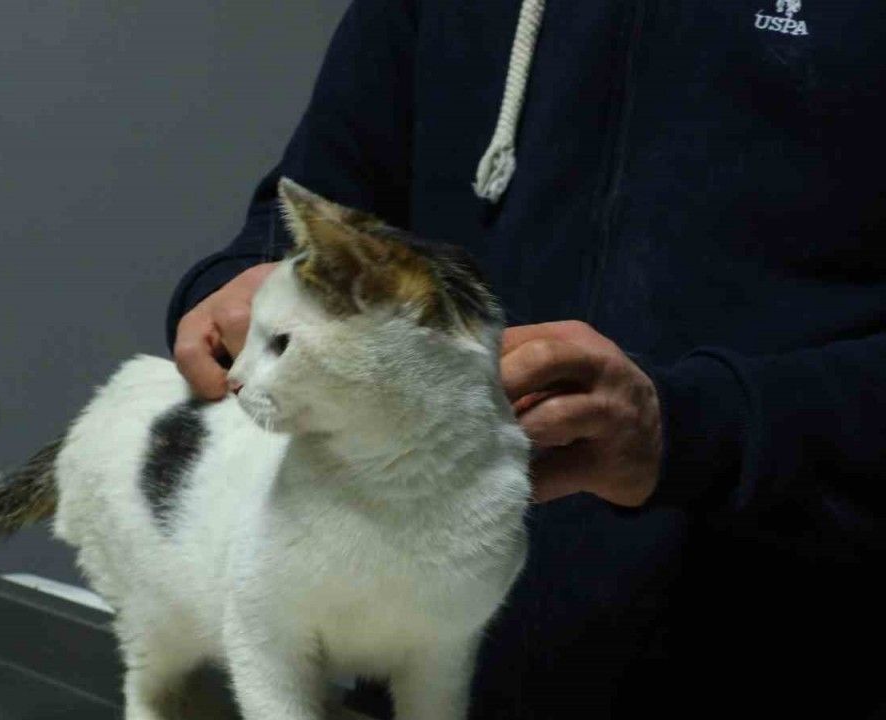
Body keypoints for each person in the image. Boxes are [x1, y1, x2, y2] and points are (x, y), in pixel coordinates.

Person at [163, 0, 885, 717]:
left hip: (785, 651)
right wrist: (235, 291)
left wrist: (699, 430)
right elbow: (311, 207)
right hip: (429, 663)